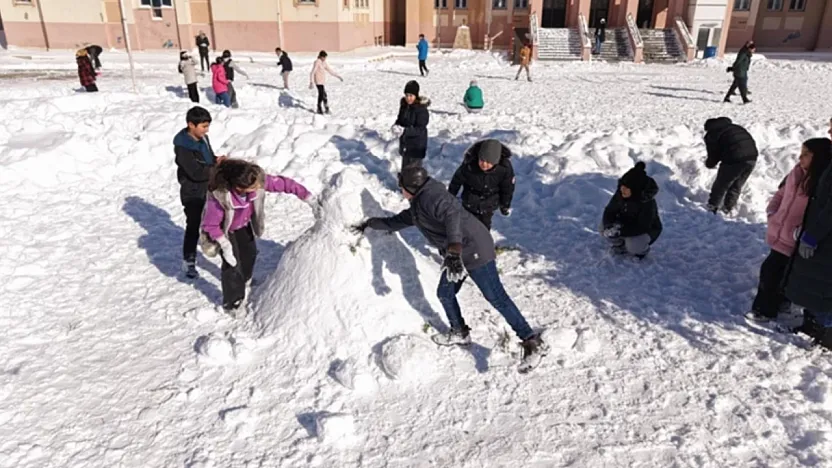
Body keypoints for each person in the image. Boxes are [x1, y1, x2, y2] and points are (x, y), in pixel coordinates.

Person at [352, 166, 548, 373]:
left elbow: (452, 215)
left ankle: (531, 341)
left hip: (474, 248)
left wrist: (454, 249)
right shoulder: (419, 205)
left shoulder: (433, 197)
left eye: (401, 186)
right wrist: (369, 223)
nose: (400, 189)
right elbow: (396, 222)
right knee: (445, 293)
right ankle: (459, 332)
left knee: (496, 296)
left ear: (410, 187)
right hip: (457, 254)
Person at [201, 159, 310, 315]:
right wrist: (225, 246)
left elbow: (283, 184)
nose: (259, 186)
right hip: (225, 232)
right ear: (239, 188)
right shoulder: (220, 199)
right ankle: (233, 302)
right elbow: (210, 225)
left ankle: (244, 280)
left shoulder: (254, 179)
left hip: (243, 226)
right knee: (232, 265)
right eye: (254, 187)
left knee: (249, 254)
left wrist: (307, 196)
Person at [747, 138, 832, 323]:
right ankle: (773, 305)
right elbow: (781, 193)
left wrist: (804, 232)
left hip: (796, 239)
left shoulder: (820, 181)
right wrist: (772, 211)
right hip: (781, 232)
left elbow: (820, 213)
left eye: (806, 154)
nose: (800, 157)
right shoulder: (797, 172)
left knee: (776, 274)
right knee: (773, 272)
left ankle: (765, 310)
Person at [784, 137, 832, 350]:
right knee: (815, 283)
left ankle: (827, 334)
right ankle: (814, 325)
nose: (829, 130)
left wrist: (813, 235)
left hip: (826, 235)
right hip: (822, 232)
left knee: (824, 287)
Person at [174, 106, 224, 279]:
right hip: (193, 192)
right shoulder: (183, 147)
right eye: (203, 126)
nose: (206, 130)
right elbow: (195, 172)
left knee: (219, 220)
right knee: (194, 225)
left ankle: (225, 255)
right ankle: (188, 260)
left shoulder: (203, 138)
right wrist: (215, 169)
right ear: (191, 125)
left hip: (209, 188)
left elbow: (207, 159)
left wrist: (217, 160)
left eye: (207, 126)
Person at [448, 139, 514, 230]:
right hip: (470, 200)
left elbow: (507, 188)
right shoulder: (470, 165)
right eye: (482, 160)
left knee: (484, 227)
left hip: (489, 202)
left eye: (489, 162)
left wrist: (505, 205)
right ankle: (465, 242)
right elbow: (456, 180)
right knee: (466, 226)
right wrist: (450, 196)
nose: (484, 164)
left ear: (496, 162)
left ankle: (483, 243)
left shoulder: (504, 169)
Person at [601, 162, 663, 259]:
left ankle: (642, 251)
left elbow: (642, 226)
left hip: (646, 230)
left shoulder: (646, 202)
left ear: (635, 190)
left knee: (634, 245)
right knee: (602, 227)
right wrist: (609, 226)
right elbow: (610, 211)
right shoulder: (620, 195)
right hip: (625, 225)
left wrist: (620, 232)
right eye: (622, 187)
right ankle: (620, 245)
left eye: (627, 188)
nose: (623, 190)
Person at [703, 117, 759, 214]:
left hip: (734, 158)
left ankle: (712, 207)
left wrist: (709, 164)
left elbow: (713, 154)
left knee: (721, 184)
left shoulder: (713, 134)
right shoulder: (735, 127)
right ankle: (728, 208)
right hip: (752, 157)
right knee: (736, 185)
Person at [393, 80, 430, 169]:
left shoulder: (421, 110)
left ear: (416, 95)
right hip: (406, 145)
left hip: (416, 147)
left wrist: (405, 131)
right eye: (406, 95)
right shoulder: (404, 107)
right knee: (404, 172)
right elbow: (400, 119)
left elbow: (420, 129)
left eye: (411, 95)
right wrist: (396, 125)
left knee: (413, 176)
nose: (408, 98)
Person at [309, 51, 343, 115]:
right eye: (324, 57)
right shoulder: (317, 62)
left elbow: (330, 71)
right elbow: (312, 72)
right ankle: (319, 108)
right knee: (321, 94)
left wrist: (338, 76)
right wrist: (311, 82)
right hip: (318, 81)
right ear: (321, 56)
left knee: (324, 95)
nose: (325, 58)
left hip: (322, 81)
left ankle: (326, 107)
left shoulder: (324, 63)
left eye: (325, 57)